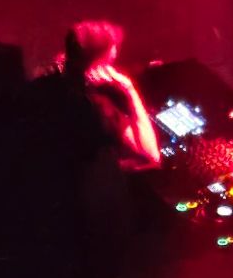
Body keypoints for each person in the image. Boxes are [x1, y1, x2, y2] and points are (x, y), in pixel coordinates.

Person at [59, 20, 161, 171]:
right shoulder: (101, 107)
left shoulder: (54, 87)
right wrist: (129, 90)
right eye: (109, 61)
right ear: (98, 65)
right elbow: (152, 155)